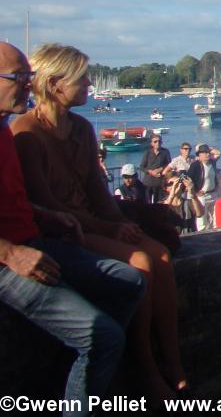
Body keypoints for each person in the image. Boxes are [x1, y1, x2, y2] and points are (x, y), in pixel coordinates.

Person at [12, 44, 189, 401]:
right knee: (140, 262)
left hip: (93, 223)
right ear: (55, 84)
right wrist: (110, 229)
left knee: (161, 257)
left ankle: (172, 361)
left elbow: (97, 191)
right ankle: (145, 368)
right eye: (81, 78)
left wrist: (118, 222)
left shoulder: (80, 128)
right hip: (63, 232)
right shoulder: (26, 133)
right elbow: (47, 205)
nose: (90, 84)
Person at [0, 42, 145, 416]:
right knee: (102, 337)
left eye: (29, 76)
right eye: (19, 77)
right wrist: (12, 253)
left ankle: (72, 384)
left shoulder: (3, 132)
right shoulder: (21, 130)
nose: (27, 84)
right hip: (8, 260)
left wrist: (47, 216)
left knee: (131, 279)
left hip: (33, 238)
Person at [138, 133, 171, 202]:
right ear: (151, 143)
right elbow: (141, 166)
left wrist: (161, 169)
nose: (157, 143)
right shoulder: (148, 152)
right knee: (147, 203)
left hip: (160, 183)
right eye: (155, 141)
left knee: (159, 203)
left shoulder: (165, 152)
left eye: (159, 141)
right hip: (148, 183)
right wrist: (150, 172)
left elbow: (169, 165)